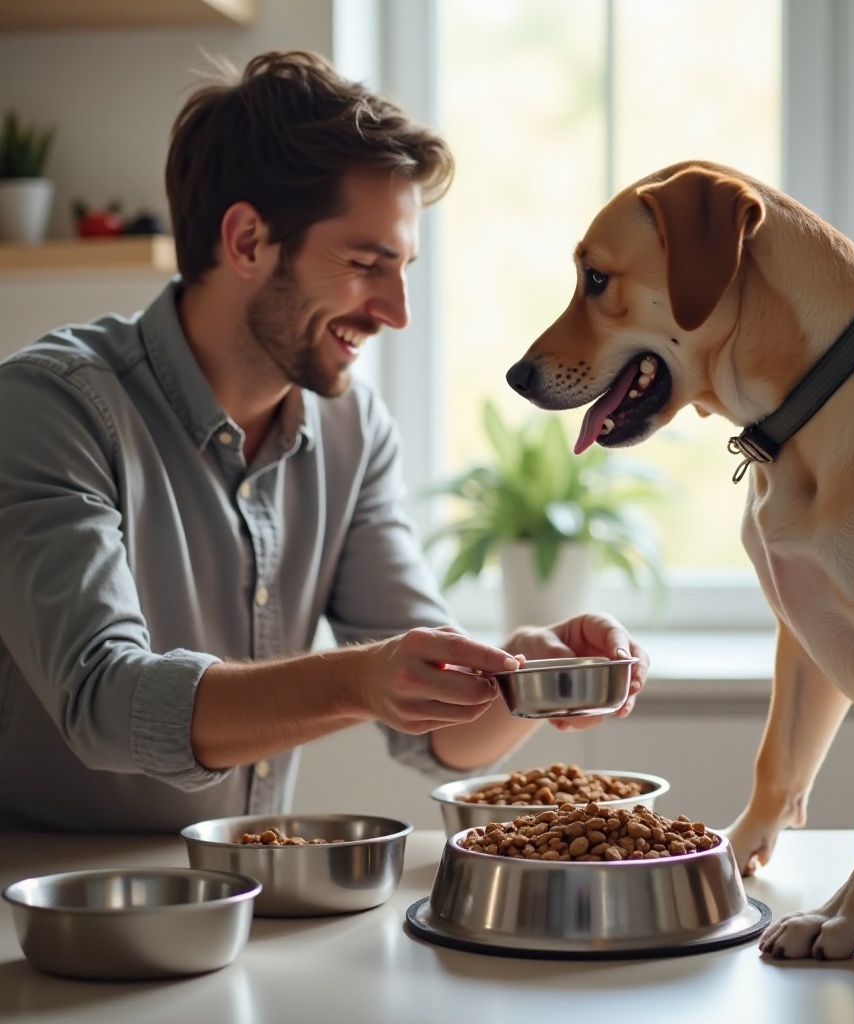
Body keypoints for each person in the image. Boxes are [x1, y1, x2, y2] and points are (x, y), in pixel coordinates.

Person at [0, 50, 649, 832]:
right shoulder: (50, 409)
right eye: (366, 264)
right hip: (42, 916)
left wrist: (526, 673)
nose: (396, 310)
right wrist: (358, 680)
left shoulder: (354, 430)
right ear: (246, 241)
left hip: (244, 898)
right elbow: (104, 702)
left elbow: (438, 728)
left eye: (403, 267)